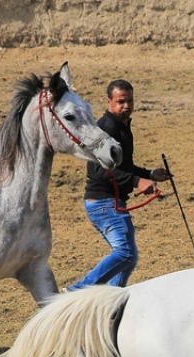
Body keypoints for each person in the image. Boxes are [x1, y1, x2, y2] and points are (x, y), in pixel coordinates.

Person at [66, 79, 170, 290]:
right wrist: (136, 181)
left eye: (130, 101)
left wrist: (149, 174)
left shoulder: (121, 126)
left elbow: (122, 166)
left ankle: (112, 301)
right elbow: (98, 169)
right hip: (104, 203)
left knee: (127, 257)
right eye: (121, 101)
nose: (127, 106)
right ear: (108, 101)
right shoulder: (106, 128)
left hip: (112, 202)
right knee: (125, 254)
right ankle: (75, 292)